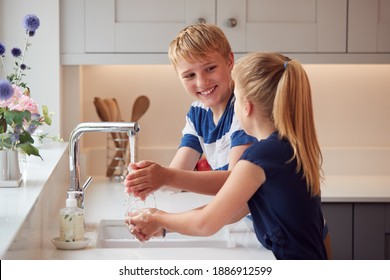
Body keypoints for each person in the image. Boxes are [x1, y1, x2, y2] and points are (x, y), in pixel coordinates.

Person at [128, 52, 329, 260]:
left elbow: (205, 223)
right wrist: (163, 225)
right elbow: (232, 210)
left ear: (246, 106)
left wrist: (159, 218)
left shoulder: (259, 157)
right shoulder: (285, 147)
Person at [124, 23, 256, 198]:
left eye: (210, 68)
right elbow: (176, 177)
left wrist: (164, 176)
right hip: (241, 216)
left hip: (267, 219)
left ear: (229, 61)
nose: (202, 82)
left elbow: (234, 184)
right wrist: (148, 177)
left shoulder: (244, 106)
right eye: (190, 75)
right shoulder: (198, 112)